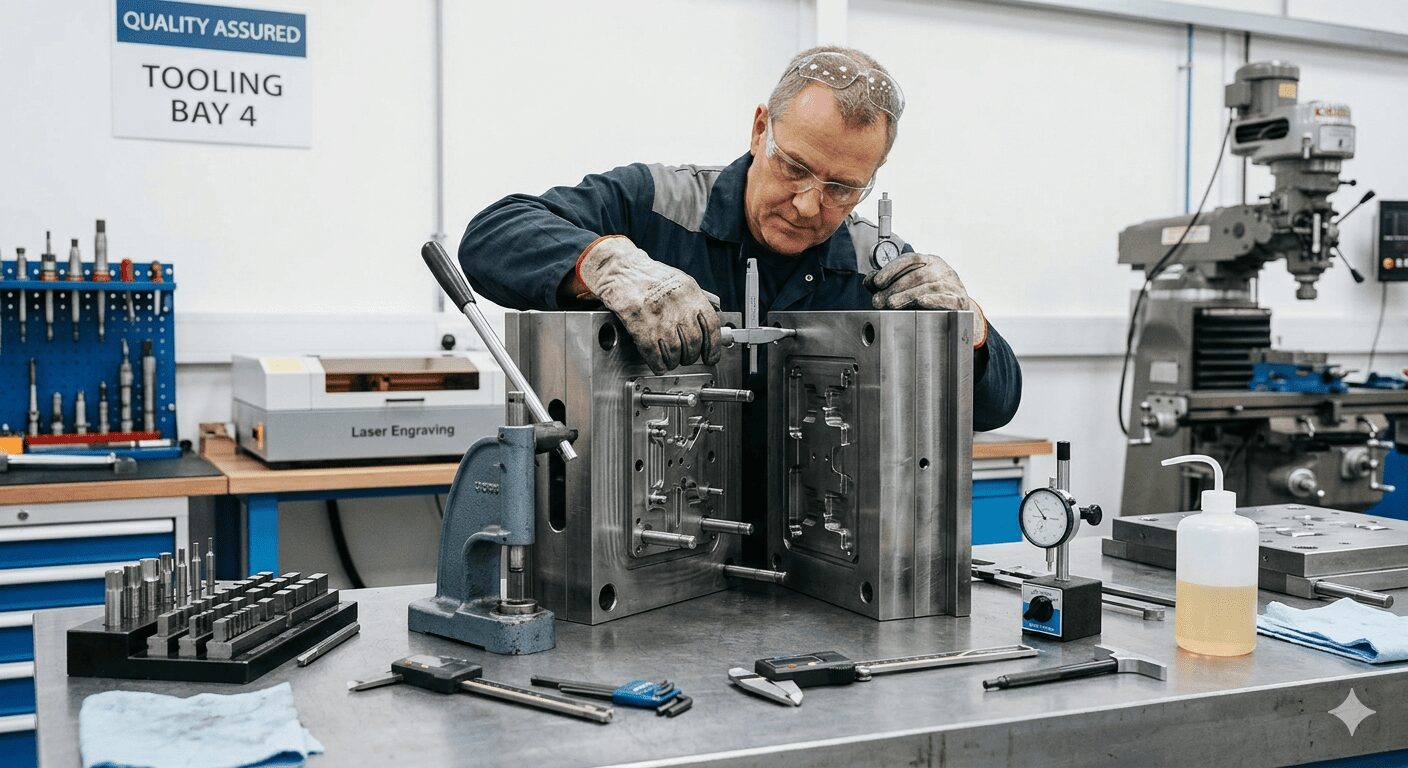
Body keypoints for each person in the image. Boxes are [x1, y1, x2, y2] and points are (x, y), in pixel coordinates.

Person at [459, 46, 1021, 557]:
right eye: (795, 167)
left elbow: (995, 406)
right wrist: (610, 266)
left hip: (814, 574)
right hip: (642, 559)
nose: (808, 204)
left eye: (841, 188)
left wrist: (968, 328)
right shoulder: (654, 206)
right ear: (759, 129)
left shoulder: (875, 265)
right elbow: (490, 235)